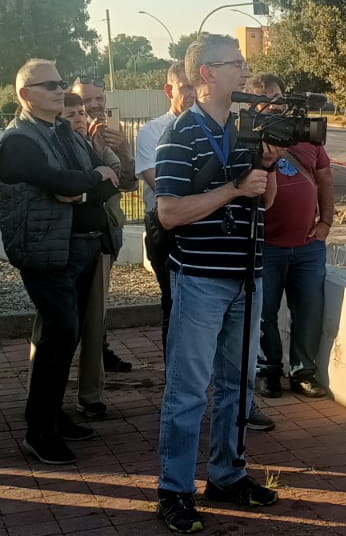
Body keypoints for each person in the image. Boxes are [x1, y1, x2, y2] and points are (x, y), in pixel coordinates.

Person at [154, 37, 283, 533]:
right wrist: (233, 188)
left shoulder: (246, 129)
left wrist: (266, 166)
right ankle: (174, 490)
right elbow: (169, 213)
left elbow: (266, 202)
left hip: (247, 276)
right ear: (206, 74)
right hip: (200, 281)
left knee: (238, 385)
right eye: (236, 64)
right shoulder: (180, 134)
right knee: (188, 391)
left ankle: (228, 476)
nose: (246, 71)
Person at [0, 59, 120, 465]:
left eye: (60, 82)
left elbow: (103, 179)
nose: (58, 90)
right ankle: (39, 430)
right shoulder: (19, 141)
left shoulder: (62, 131)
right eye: (48, 85)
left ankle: (51, 414)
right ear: (24, 94)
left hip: (80, 247)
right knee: (59, 334)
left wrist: (87, 185)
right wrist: (93, 180)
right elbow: (63, 182)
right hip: (46, 250)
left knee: (67, 335)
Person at [246, 73, 333, 401]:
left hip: (308, 247)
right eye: (267, 100)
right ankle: (268, 371)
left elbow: (325, 179)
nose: (275, 105)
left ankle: (303, 373)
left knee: (309, 311)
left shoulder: (306, 135)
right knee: (264, 312)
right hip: (266, 246)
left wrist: (325, 223)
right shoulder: (248, 137)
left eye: (279, 98)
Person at [59, 91, 136, 419]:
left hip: (100, 240)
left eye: (82, 113)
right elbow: (68, 190)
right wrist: (97, 181)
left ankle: (90, 395)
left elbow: (126, 182)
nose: (81, 118)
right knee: (55, 324)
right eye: (72, 114)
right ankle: (45, 395)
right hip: (62, 244)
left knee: (94, 322)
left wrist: (122, 150)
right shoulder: (53, 147)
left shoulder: (99, 146)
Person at [72, 74, 136, 375]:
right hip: (72, 234)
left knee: (99, 298)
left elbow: (128, 183)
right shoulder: (66, 137)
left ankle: (99, 349)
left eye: (99, 98)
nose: (94, 105)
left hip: (107, 231)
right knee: (67, 305)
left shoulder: (109, 136)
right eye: (86, 100)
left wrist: (122, 149)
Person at [136, 62, 195, 351]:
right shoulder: (153, 132)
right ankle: (173, 368)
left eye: (196, 86)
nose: (192, 93)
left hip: (201, 225)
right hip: (165, 229)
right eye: (185, 87)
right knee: (173, 301)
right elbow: (161, 185)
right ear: (169, 90)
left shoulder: (211, 128)